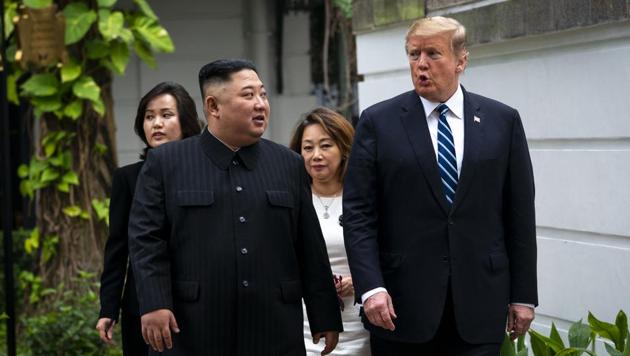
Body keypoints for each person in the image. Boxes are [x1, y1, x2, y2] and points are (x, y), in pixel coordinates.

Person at [343, 16, 538, 355]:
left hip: (480, 304)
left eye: (433, 54)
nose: (421, 64)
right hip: (400, 308)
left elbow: (519, 213)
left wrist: (523, 295)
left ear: (461, 60)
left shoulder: (502, 121)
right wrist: (371, 287)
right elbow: (359, 213)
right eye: (413, 54)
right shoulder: (378, 122)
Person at [127, 59, 343, 356]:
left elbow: (309, 245)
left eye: (263, 95)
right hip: (191, 328)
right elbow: (146, 240)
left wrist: (324, 314)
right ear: (213, 106)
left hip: (273, 329)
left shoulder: (289, 164)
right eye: (248, 95)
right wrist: (155, 302)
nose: (261, 104)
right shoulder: (167, 163)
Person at [96, 82, 202, 354]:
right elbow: (118, 248)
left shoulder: (205, 175)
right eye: (149, 116)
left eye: (167, 115)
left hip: (198, 303)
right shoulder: (127, 178)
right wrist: (108, 308)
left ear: (186, 121)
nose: (156, 123)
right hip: (141, 305)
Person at [289, 107, 370, 355]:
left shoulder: (363, 199)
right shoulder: (290, 200)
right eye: (308, 148)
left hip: (359, 324)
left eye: (325, 146)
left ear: (344, 149)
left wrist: (359, 281)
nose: (316, 155)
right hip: (304, 326)